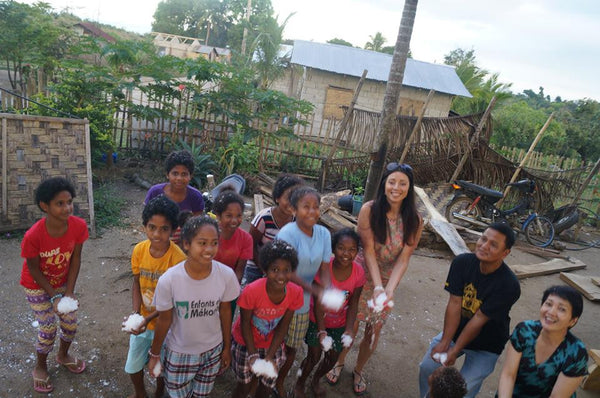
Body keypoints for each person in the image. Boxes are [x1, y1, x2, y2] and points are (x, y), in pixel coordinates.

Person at [326, 162, 423, 395]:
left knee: (374, 328)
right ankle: (339, 362)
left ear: (409, 188)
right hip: (362, 272)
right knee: (352, 321)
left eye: (402, 183)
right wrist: (377, 286)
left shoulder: (415, 220)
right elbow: (368, 250)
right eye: (392, 182)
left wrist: (388, 289)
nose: (396, 188)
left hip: (390, 275)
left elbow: (404, 258)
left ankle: (358, 369)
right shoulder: (369, 209)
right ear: (384, 184)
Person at [418, 222, 521, 398]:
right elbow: (454, 303)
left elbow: (479, 319)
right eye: (483, 239)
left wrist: (455, 350)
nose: (484, 246)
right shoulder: (462, 263)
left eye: (494, 245)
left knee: (463, 390)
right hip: (456, 332)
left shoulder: (509, 285)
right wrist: (445, 341)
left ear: (505, 253)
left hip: (487, 345)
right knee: (427, 368)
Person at [148, 216, 240, 397]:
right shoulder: (170, 280)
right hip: (179, 352)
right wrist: (155, 355)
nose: (209, 249)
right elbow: (164, 320)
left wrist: (227, 347)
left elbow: (226, 311)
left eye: (214, 243)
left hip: (212, 351)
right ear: (187, 244)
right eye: (202, 243)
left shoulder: (226, 275)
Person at [20, 177, 89, 393]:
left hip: (61, 283)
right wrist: (54, 297)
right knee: (48, 328)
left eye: (69, 202)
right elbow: (33, 269)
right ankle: (40, 366)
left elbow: (76, 259)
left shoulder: (78, 226)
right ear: (44, 206)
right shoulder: (33, 235)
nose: (67, 207)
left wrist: (68, 292)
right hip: (36, 284)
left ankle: (63, 355)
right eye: (60, 203)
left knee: (70, 323)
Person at [124, 196, 187, 398]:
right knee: (133, 366)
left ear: (174, 230)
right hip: (143, 321)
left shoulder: (178, 259)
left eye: (164, 229)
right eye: (152, 227)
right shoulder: (139, 251)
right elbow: (136, 283)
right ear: (144, 227)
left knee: (159, 365)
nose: (157, 234)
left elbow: (174, 303)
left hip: (166, 326)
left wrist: (147, 319)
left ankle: (159, 392)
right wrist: (136, 315)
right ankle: (140, 393)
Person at [274, 186, 332, 397]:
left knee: (291, 348)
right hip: (278, 294)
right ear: (294, 210)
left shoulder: (324, 234)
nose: (312, 211)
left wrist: (325, 287)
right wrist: (315, 290)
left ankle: (279, 381)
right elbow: (284, 271)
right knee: (272, 342)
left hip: (302, 301)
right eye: (305, 206)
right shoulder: (287, 233)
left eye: (315, 207)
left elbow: (325, 268)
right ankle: (265, 380)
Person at [294, 228, 365, 398]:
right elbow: (318, 304)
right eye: (341, 248)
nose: (346, 253)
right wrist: (321, 330)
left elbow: (354, 303)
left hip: (339, 323)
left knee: (332, 357)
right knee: (314, 356)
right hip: (317, 320)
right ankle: (300, 383)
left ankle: (316, 380)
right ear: (333, 249)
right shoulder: (324, 269)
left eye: (352, 249)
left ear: (357, 251)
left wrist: (349, 329)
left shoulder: (358, 272)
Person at [231, 240, 304, 398]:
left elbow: (283, 326)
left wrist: (269, 357)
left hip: (272, 343)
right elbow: (244, 323)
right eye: (275, 269)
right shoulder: (252, 291)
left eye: (287, 270)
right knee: (243, 386)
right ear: (265, 269)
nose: (280, 276)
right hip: (245, 342)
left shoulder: (295, 292)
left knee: (267, 387)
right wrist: (252, 355)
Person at [497, 285, 588, 398]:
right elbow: (508, 375)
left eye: (562, 309)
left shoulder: (576, 353)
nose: (551, 312)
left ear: (573, 321)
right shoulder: (524, 331)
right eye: (548, 304)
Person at [243, 174, 304, 286]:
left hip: (282, 268)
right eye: (288, 198)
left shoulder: (298, 221)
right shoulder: (264, 218)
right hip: (257, 267)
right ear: (277, 198)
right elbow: (251, 245)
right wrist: (265, 270)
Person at [144, 150, 204, 245]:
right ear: (167, 174)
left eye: (184, 174)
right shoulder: (155, 192)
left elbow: (197, 225)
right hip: (158, 240)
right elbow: (147, 219)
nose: (179, 178)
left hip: (184, 244)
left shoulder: (195, 197)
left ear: (191, 176)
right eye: (175, 173)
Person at [213, 187, 253, 284]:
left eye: (239, 216)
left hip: (229, 284)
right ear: (218, 215)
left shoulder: (246, 239)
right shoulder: (208, 234)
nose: (234, 221)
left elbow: (239, 273)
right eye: (229, 216)